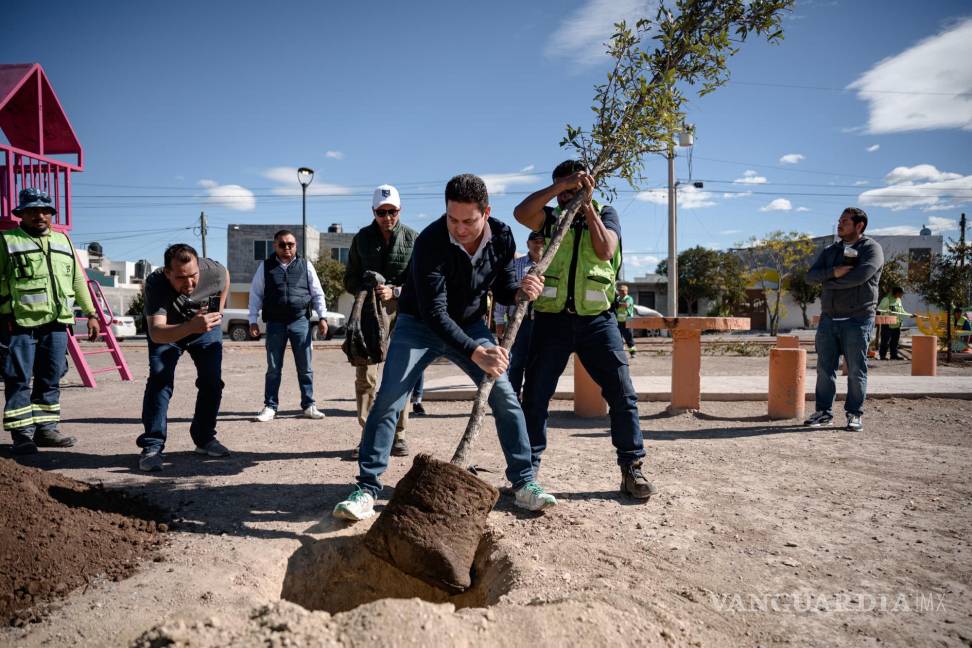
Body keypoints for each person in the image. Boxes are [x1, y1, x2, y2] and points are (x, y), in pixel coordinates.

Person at [332, 173, 556, 521]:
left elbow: (505, 284)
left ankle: (524, 482)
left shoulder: (502, 235)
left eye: (469, 221)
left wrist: (522, 291)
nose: (460, 228)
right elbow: (435, 313)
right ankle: (367, 488)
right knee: (389, 399)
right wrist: (476, 352)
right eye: (453, 219)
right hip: (418, 325)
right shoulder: (431, 241)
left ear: (486, 212)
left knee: (505, 397)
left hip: (469, 323)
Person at [513, 160, 656, 500]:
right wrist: (558, 188)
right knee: (534, 398)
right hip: (551, 320)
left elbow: (606, 250)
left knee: (622, 395)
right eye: (564, 186)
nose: (569, 193)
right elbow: (521, 213)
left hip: (597, 320)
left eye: (576, 185)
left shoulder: (606, 214)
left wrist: (587, 204)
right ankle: (526, 474)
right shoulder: (548, 218)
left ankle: (631, 467)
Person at [0, 188, 100, 455]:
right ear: (22, 214)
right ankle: (22, 434)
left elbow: (77, 279)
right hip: (19, 323)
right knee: (18, 378)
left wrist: (91, 313)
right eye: (33, 210)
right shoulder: (7, 241)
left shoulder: (63, 240)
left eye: (45, 210)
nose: (40, 215)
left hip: (56, 323)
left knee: (50, 377)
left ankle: (46, 429)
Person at [137, 244, 230, 471]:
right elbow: (157, 333)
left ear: (200, 266)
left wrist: (218, 308)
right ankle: (153, 445)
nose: (189, 283)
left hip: (203, 327)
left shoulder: (214, 270)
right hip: (170, 330)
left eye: (193, 275)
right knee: (160, 380)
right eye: (181, 278)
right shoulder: (156, 283)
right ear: (168, 272)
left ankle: (204, 438)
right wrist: (190, 326)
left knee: (212, 382)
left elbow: (225, 277)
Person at [344, 185, 418, 456]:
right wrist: (366, 286)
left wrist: (395, 291)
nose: (387, 217)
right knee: (366, 376)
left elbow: (422, 281)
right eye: (381, 212)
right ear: (373, 211)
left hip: (404, 312)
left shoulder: (412, 238)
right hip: (368, 314)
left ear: (400, 210)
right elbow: (348, 277)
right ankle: (369, 434)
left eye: (392, 211)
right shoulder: (361, 238)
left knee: (400, 375)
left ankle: (398, 435)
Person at [804, 207, 884, 432]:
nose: (839, 224)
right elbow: (810, 276)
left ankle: (854, 414)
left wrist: (828, 281)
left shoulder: (871, 249)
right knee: (824, 368)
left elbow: (860, 277)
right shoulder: (830, 251)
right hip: (829, 318)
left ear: (859, 226)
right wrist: (834, 272)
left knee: (856, 369)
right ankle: (823, 413)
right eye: (839, 220)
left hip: (858, 319)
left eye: (845, 221)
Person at [250, 229, 328, 422]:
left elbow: (317, 293)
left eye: (290, 244)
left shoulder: (305, 265)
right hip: (275, 323)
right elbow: (256, 295)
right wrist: (252, 320)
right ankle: (270, 407)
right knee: (274, 368)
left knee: (305, 367)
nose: (287, 248)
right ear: (275, 245)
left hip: (300, 321)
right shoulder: (265, 267)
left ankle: (309, 405)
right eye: (282, 244)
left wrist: (323, 317)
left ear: (296, 246)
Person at [494, 230, 544, 398]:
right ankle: (513, 397)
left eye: (541, 241)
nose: (538, 245)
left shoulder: (554, 264)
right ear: (528, 244)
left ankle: (532, 398)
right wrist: (499, 320)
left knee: (539, 363)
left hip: (545, 321)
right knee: (516, 362)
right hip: (520, 322)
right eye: (534, 241)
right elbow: (504, 292)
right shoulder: (516, 265)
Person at [877, 286, 910, 360]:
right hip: (887, 323)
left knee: (895, 341)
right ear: (897, 293)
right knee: (885, 340)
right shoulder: (887, 299)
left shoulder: (898, 300)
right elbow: (879, 309)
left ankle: (894, 355)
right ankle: (882, 356)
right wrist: (887, 311)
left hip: (896, 323)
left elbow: (901, 311)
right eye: (901, 294)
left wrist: (910, 315)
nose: (902, 296)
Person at [614, 284, 637, 358]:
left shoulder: (628, 298)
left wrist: (617, 304)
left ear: (627, 291)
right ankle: (620, 353)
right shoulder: (617, 298)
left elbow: (626, 305)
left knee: (628, 337)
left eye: (624, 291)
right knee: (618, 337)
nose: (622, 292)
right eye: (621, 291)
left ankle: (633, 352)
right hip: (618, 321)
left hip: (627, 320)